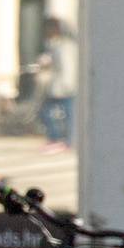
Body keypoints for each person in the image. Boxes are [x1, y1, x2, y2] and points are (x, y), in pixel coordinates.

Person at [36, 16, 78, 152]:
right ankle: (64, 140)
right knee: (67, 114)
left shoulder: (64, 46)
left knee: (50, 111)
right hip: (64, 86)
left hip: (63, 87)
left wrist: (67, 85)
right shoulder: (61, 44)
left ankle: (60, 140)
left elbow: (67, 67)